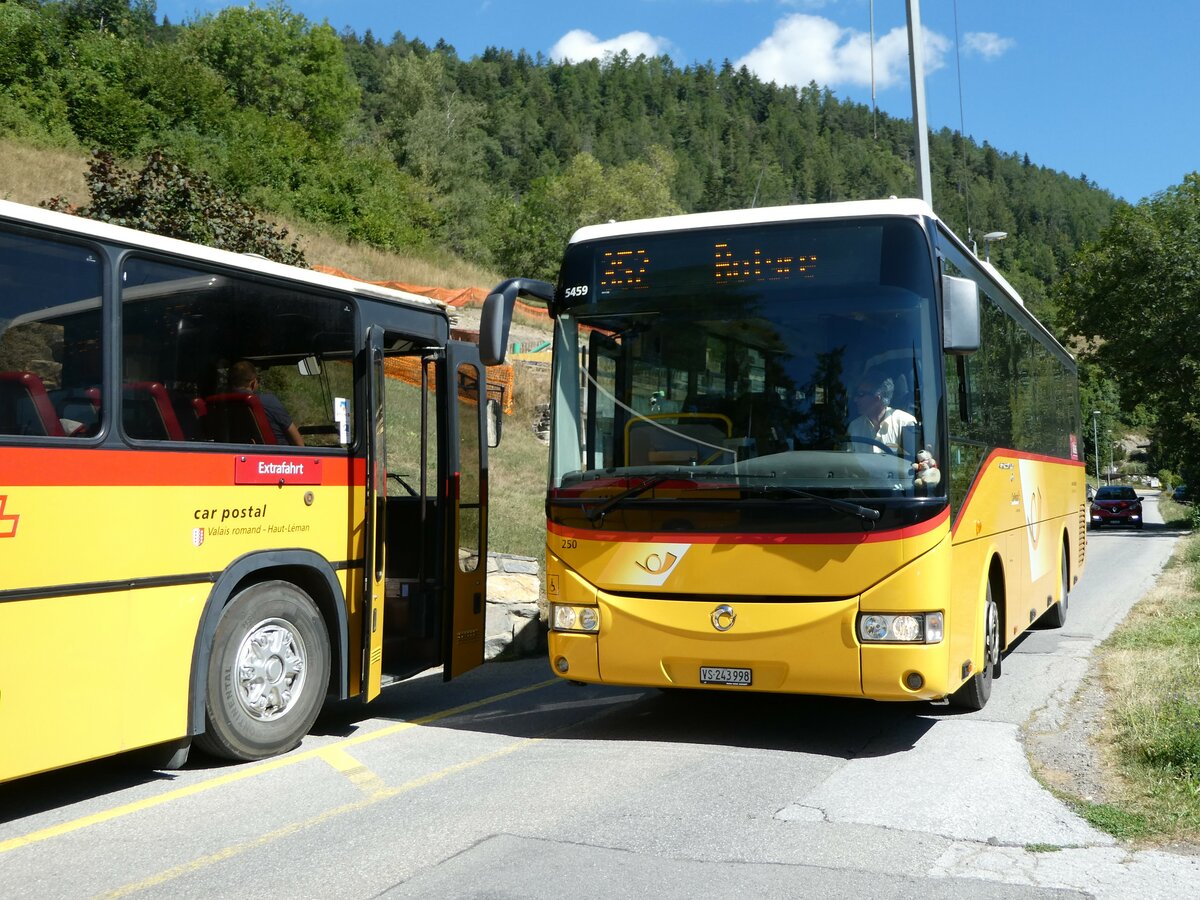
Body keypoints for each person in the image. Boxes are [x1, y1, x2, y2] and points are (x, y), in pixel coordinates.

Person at [228, 359, 304, 446]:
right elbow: (298, 442)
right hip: (277, 456)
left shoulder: (220, 405)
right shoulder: (268, 401)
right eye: (258, 381)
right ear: (253, 383)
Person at [848, 370, 916, 456]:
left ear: (877, 398)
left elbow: (914, 461)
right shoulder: (854, 427)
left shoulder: (905, 422)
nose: (855, 399)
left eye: (861, 394)